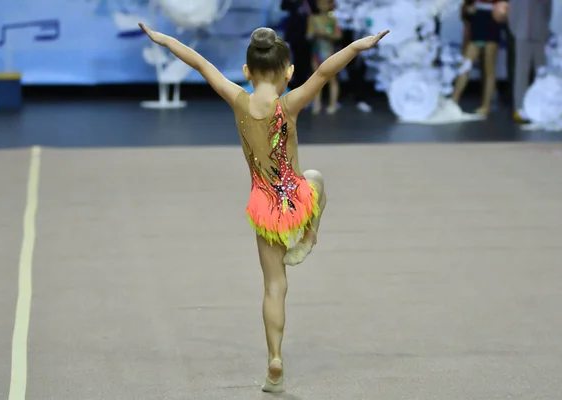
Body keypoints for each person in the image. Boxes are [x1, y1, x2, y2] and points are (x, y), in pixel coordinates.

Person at [138, 22, 389, 393]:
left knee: (274, 286)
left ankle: (275, 360)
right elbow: (325, 70)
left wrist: (164, 39)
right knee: (317, 178)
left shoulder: (236, 98)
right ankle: (309, 237)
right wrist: (357, 46)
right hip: (297, 201)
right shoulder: (289, 104)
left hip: (266, 209)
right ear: (288, 72)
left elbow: (200, 64)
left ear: (246, 72)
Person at [452, 0, 508, 115]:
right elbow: (466, 9)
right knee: (466, 65)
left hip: (492, 25)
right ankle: (453, 100)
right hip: (477, 26)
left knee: (489, 68)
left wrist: (501, 11)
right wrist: (468, 10)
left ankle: (486, 105)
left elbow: (505, 9)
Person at [507, 0, 552, 123]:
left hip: (541, 34)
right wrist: (516, 31)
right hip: (522, 34)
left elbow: (549, 12)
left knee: (542, 73)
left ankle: (542, 108)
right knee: (521, 74)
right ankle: (519, 108)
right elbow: (513, 12)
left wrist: (547, 30)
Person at [308, 0, 342, 114]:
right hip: (316, 52)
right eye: (320, 3)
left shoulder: (333, 19)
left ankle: (333, 104)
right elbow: (308, 35)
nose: (322, 5)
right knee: (316, 79)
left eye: (325, 3)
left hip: (329, 53)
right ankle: (317, 104)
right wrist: (314, 34)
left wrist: (326, 34)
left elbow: (338, 35)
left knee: (332, 79)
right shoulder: (313, 18)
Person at [281, 0, 318, 89]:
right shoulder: (294, 3)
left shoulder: (310, 3)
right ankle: (292, 88)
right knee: (292, 64)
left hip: (309, 37)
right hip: (293, 36)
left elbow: (317, 10)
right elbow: (283, 6)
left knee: (306, 64)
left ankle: (304, 90)